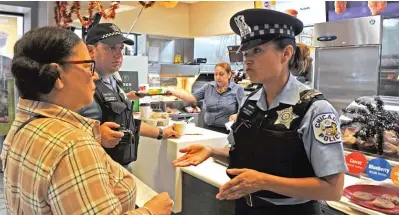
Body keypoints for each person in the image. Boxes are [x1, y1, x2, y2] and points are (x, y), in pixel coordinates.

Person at [173, 9, 347, 215]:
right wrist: (212, 151)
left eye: (257, 51)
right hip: (245, 207)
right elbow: (250, 156)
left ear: (286, 53)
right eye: (246, 53)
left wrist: (263, 182)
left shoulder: (315, 109)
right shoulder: (250, 102)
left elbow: (333, 189)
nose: (247, 60)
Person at [1, 26, 173, 215]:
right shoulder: (74, 145)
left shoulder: (22, 126)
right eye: (87, 65)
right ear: (57, 75)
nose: (94, 74)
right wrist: (151, 211)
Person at [79, 23, 179, 168]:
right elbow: (61, 130)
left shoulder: (114, 80)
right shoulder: (80, 85)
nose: (118, 54)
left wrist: (160, 132)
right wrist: (96, 135)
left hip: (120, 169)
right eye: (111, 47)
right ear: (90, 51)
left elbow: (127, 122)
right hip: (95, 171)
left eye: (121, 48)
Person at [166, 62, 245, 134]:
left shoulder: (238, 89)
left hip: (227, 132)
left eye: (221, 74)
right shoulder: (208, 87)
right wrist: (173, 92)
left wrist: (237, 115)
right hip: (208, 129)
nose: (218, 77)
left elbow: (244, 112)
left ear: (229, 74)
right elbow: (191, 97)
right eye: (215, 74)